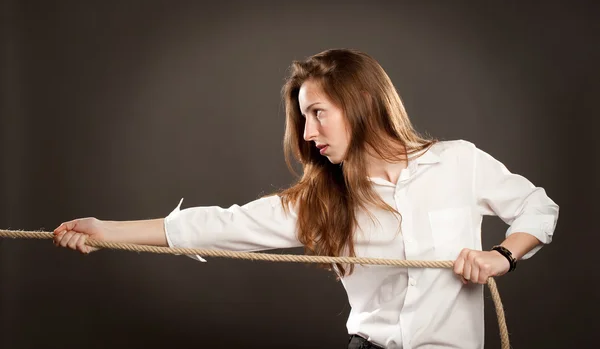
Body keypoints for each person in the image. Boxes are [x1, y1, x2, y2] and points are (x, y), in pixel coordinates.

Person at [53, 49, 559, 349]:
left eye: (318, 112)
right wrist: (108, 231)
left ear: (360, 105)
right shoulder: (321, 201)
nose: (308, 133)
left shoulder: (459, 162)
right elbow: (218, 226)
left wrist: (501, 256)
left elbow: (539, 208)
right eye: (302, 118)